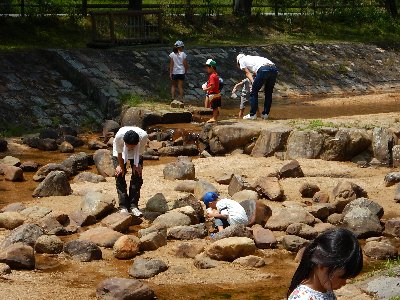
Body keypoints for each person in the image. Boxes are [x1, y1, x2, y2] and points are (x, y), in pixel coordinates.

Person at [287, 228, 363, 300]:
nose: (344, 283)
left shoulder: (325, 287)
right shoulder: (302, 297)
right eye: (341, 277)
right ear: (322, 266)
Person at [112, 126, 148, 217]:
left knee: (137, 175)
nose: (130, 148)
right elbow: (119, 153)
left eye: (132, 147)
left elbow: (139, 153)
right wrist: (121, 166)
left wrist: (137, 165)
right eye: (129, 146)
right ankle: (123, 206)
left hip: (137, 152)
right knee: (119, 175)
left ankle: (133, 205)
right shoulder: (119, 138)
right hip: (119, 151)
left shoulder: (143, 137)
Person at [236, 53, 278, 120]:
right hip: (274, 69)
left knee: (253, 92)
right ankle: (265, 114)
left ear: (238, 61)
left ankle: (252, 115)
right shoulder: (252, 58)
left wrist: (253, 82)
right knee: (268, 93)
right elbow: (257, 72)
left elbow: (247, 73)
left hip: (263, 69)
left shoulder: (241, 60)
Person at [203, 59, 221, 123]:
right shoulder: (216, 75)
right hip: (217, 93)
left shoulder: (212, 76)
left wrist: (206, 89)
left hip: (213, 93)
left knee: (214, 107)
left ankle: (214, 118)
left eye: (208, 67)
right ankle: (214, 117)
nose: (207, 69)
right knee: (215, 107)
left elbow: (212, 86)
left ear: (212, 67)